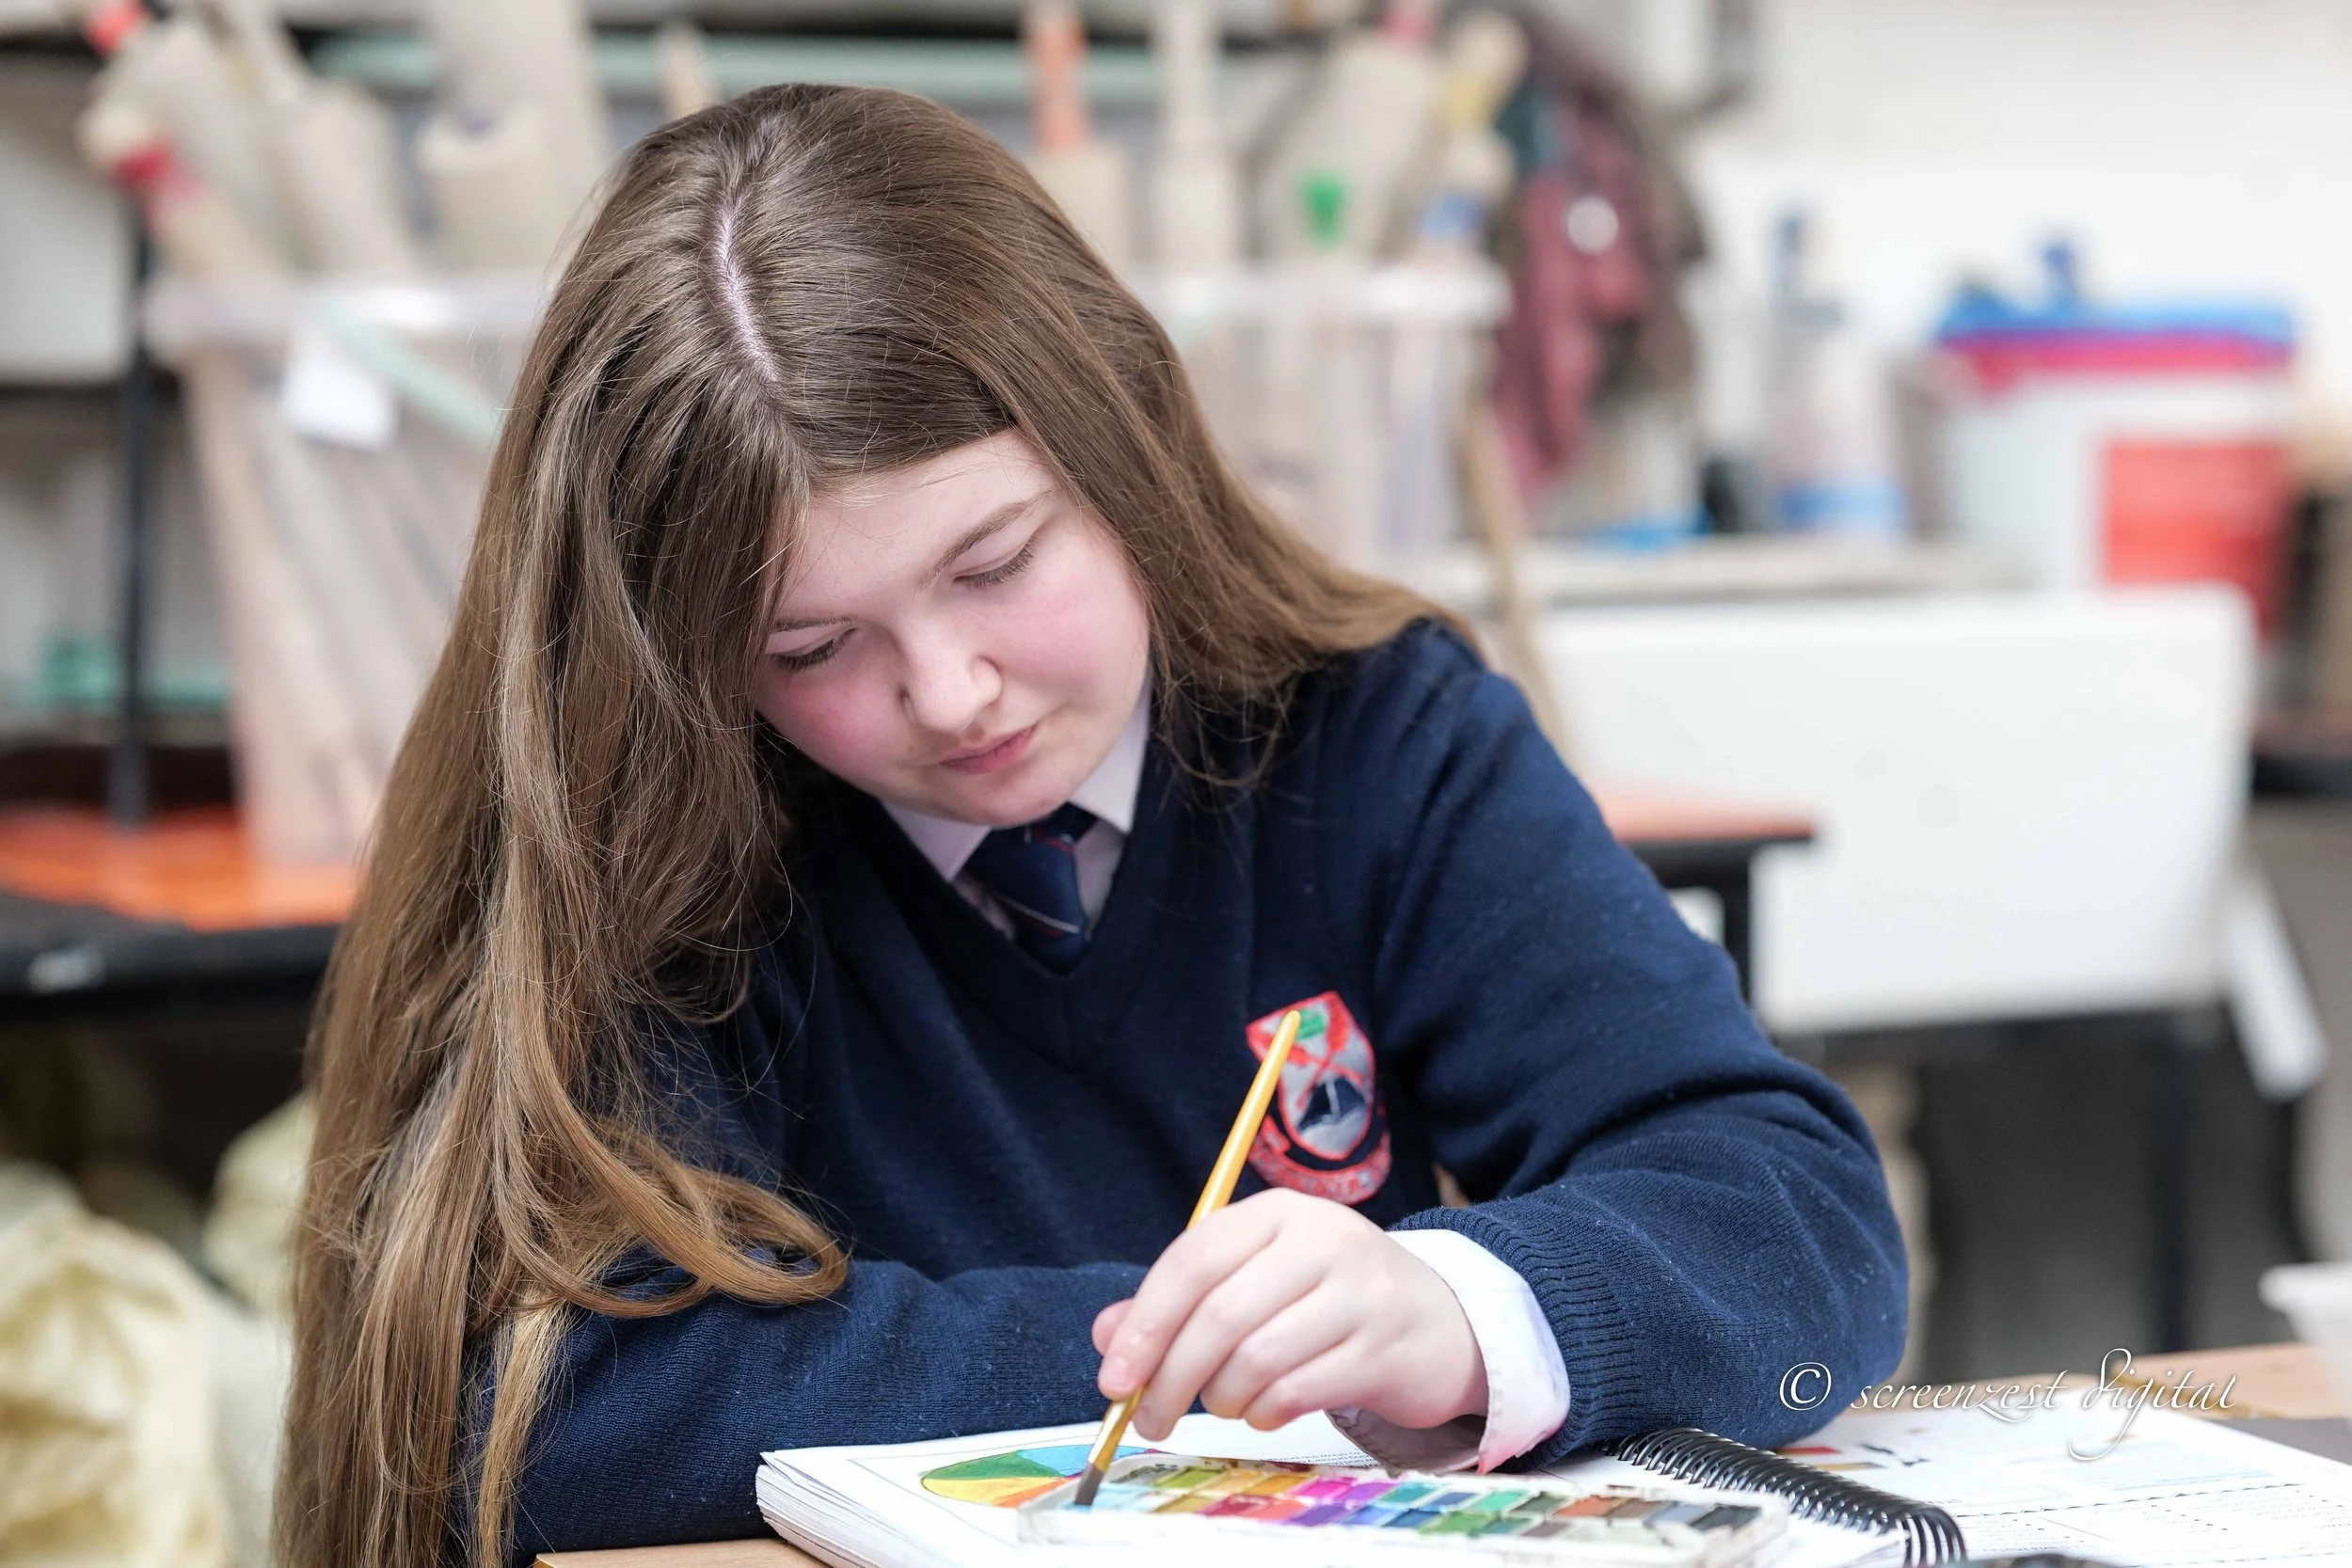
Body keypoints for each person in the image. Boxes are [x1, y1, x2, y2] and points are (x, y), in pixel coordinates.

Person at [278, 85, 1906, 1568]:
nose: (950, 692)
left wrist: (1454, 1306)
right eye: (811, 647)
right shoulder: (660, 837)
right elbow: (560, 1402)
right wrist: (1204, 1347)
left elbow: (1798, 1216)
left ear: (1126, 445)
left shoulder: (1373, 741)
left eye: (995, 563)